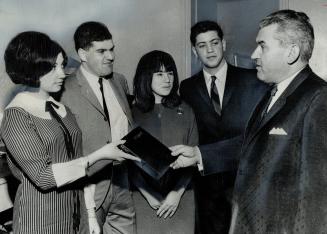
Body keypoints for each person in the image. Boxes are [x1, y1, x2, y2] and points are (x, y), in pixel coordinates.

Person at [0, 31, 138, 234]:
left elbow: (77, 163)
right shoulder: (17, 115)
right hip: (39, 220)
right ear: (32, 69)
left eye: (62, 65)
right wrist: (100, 155)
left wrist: (90, 213)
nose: (62, 74)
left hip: (76, 215)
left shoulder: (61, 109)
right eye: (52, 67)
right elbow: (43, 177)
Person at [226, 10, 327, 233]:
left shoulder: (319, 99)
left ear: (291, 52)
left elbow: (318, 196)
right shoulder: (273, 92)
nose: (253, 54)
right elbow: (253, 146)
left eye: (263, 46)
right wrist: (200, 155)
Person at [169, 21, 268, 234]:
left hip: (246, 186)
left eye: (214, 42)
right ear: (195, 51)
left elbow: (259, 138)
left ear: (223, 44)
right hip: (206, 191)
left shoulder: (254, 80)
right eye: (202, 45)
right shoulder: (186, 88)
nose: (210, 50)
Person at [58, 21, 136, 234]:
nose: (110, 57)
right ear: (83, 54)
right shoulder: (64, 89)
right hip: (89, 191)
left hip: (123, 184)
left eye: (111, 49)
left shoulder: (119, 81)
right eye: (101, 51)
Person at [130, 50, 198, 234]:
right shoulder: (132, 113)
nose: (167, 79)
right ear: (146, 77)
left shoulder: (187, 110)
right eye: (159, 74)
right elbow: (128, 162)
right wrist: (148, 194)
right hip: (144, 199)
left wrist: (177, 193)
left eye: (170, 73)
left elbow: (194, 159)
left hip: (182, 197)